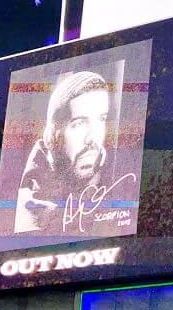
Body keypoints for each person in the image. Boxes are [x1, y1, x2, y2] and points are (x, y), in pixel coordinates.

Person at [15, 70, 114, 234]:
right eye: (79, 123)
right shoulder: (21, 211)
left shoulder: (117, 186)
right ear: (53, 134)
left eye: (101, 119)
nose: (93, 137)